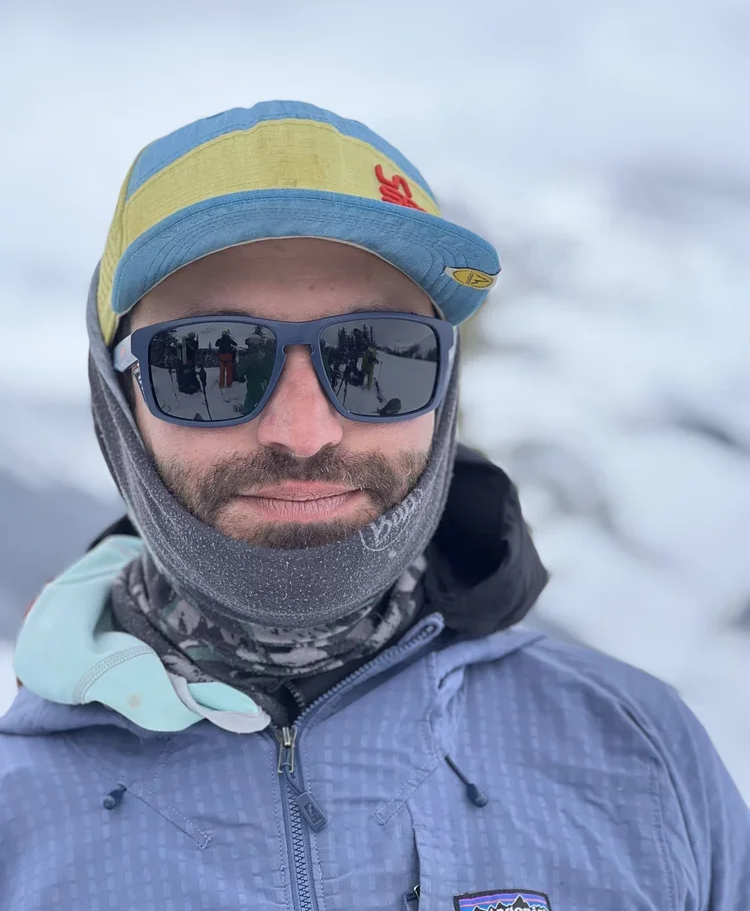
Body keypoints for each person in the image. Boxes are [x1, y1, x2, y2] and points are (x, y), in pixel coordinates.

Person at [1, 101, 747, 911]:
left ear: (445, 389)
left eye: (379, 360)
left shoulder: (639, 755)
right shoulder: (19, 822)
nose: (302, 432)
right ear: (119, 401)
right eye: (206, 362)